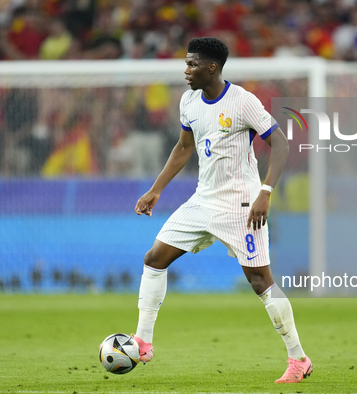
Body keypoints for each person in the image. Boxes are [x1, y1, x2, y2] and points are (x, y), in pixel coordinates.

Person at [132, 37, 312, 384]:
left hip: (242, 205)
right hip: (202, 201)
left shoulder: (242, 101)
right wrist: (156, 189)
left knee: (260, 281)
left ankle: (298, 359)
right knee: (154, 259)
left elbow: (280, 143)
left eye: (192, 64)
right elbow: (184, 147)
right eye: (186, 64)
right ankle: (143, 340)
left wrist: (266, 192)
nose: (186, 71)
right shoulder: (189, 101)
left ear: (211, 67)